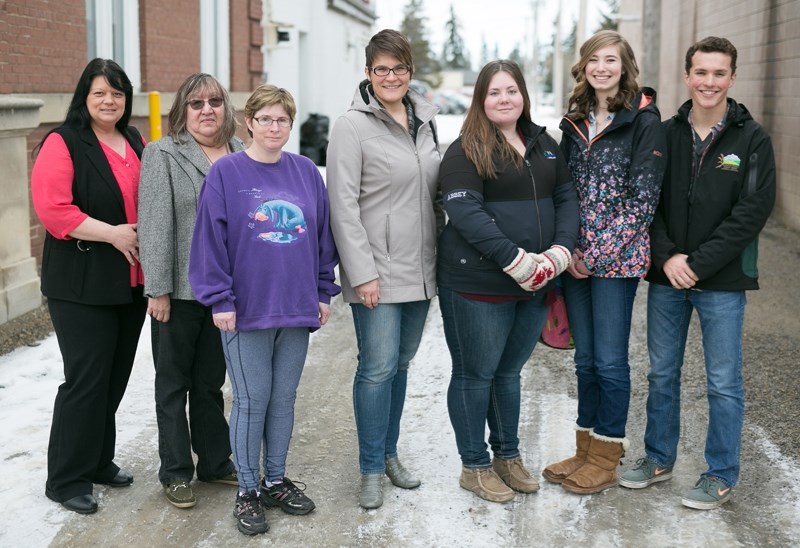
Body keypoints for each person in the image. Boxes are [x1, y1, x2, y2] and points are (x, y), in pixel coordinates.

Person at [619, 37, 776, 509]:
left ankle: (720, 473)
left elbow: (752, 211)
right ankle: (658, 458)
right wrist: (666, 257)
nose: (709, 82)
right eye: (701, 72)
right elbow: (650, 201)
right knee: (662, 373)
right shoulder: (664, 135)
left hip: (722, 282)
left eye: (719, 73)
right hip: (668, 278)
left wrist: (699, 263)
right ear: (687, 76)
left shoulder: (751, 140)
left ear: (732, 77)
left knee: (723, 382)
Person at [188, 84, 340, 535]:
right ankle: (247, 490)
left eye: (283, 120)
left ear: (290, 126)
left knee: (284, 399)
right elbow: (209, 241)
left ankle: (275, 479)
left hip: (295, 307)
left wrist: (322, 291)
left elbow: (322, 237)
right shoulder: (227, 173)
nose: (274, 127)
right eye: (266, 119)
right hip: (245, 310)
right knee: (252, 400)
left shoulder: (306, 172)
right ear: (249, 122)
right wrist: (219, 298)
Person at [437, 59, 579, 503]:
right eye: (495, 92)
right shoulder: (465, 150)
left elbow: (566, 196)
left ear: (523, 95)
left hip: (535, 282)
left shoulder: (545, 143)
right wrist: (514, 259)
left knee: (508, 373)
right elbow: (465, 212)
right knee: (475, 374)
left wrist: (560, 252)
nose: (504, 99)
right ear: (481, 99)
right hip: (478, 284)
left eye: (511, 91)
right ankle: (474, 465)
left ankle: (507, 455)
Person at [541, 30, 666, 495]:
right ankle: (585, 448)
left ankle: (608, 454)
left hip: (617, 264)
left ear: (624, 65)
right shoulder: (574, 122)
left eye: (610, 60)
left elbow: (642, 200)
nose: (602, 68)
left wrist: (597, 254)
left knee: (611, 362)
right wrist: (569, 249)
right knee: (586, 361)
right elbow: (564, 190)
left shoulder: (644, 121)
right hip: (575, 261)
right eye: (594, 60)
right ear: (585, 67)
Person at [326, 29, 442, 510]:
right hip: (374, 271)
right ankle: (371, 467)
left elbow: (437, 195)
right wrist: (362, 272)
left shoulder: (427, 122)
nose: (390, 77)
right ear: (368, 74)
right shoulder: (350, 127)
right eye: (381, 69)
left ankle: (390, 453)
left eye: (398, 68)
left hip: (421, 270)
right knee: (376, 369)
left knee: (400, 366)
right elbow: (342, 205)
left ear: (410, 72)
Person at [31, 58, 147, 515]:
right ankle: (66, 478)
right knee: (86, 380)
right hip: (81, 283)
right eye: (100, 92)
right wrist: (114, 233)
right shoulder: (63, 142)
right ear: (84, 95)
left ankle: (98, 461)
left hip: (129, 281)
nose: (108, 101)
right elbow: (54, 211)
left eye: (117, 93)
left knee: (114, 378)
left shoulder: (133, 139)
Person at [138, 73, 243, 509]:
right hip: (179, 292)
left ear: (226, 108)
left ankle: (215, 463)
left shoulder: (241, 154)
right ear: (183, 110)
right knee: (173, 385)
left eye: (215, 101)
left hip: (227, 295)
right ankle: (176, 471)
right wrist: (157, 290)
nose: (207, 110)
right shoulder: (163, 153)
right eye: (196, 103)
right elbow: (156, 224)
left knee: (210, 384)